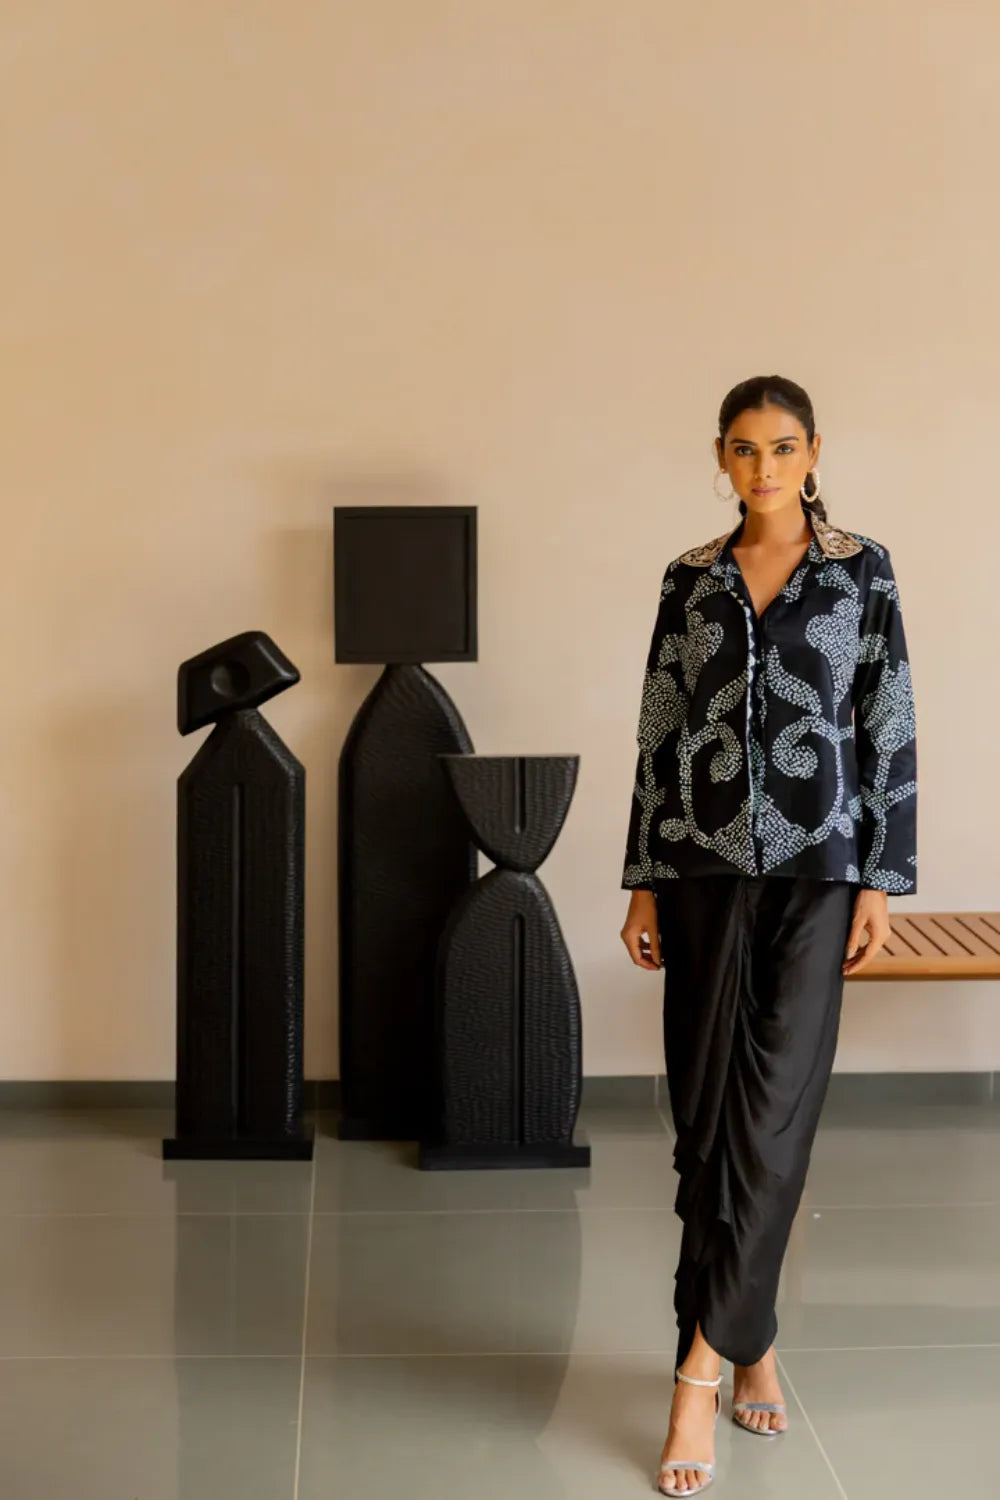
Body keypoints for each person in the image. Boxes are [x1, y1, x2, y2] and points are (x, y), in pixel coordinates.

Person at [619, 375, 917, 1496]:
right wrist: (642, 882)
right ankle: (755, 1340)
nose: (763, 468)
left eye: (782, 448)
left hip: (818, 870)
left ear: (813, 451)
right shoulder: (688, 579)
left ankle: (696, 1374)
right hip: (697, 870)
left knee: (773, 1117)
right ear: (721, 457)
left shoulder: (861, 570)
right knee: (707, 1124)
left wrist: (882, 880)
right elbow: (658, 733)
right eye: (744, 450)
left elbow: (888, 722)